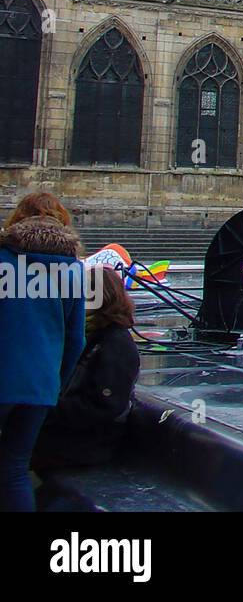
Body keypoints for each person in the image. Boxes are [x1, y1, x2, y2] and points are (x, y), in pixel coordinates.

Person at [0, 192, 85, 512]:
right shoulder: (75, 272)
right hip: (40, 386)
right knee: (14, 468)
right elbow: (76, 339)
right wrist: (55, 384)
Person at [33, 266, 140, 470]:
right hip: (69, 434)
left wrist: (44, 409)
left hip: (85, 444)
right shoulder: (89, 335)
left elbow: (103, 406)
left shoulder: (114, 343)